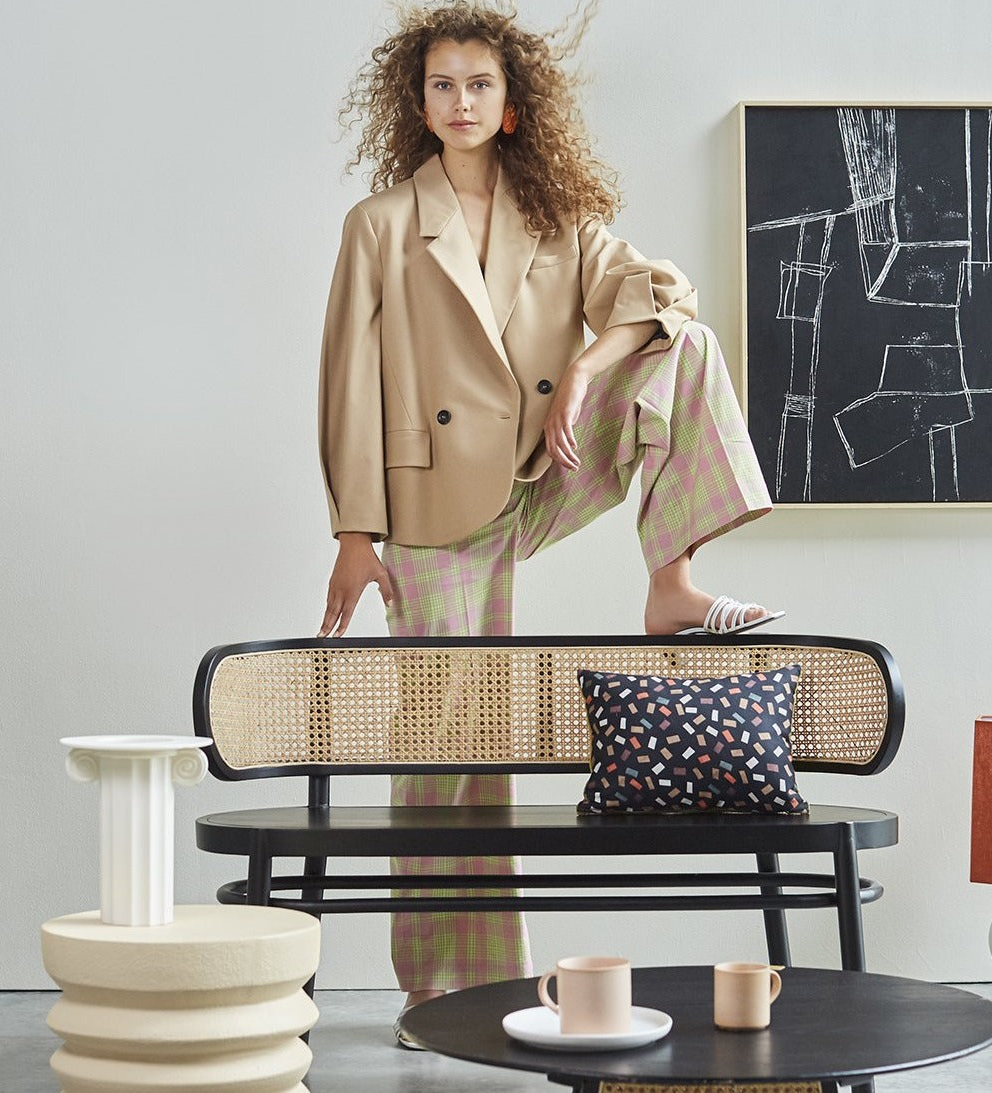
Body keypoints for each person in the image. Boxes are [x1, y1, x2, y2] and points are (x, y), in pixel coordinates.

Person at [316, 0, 782, 1047]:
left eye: (479, 83)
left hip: (540, 467)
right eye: (442, 84)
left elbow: (661, 291)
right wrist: (355, 530)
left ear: (513, 101)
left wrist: (582, 367)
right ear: (417, 100)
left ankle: (671, 579)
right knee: (449, 749)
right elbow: (348, 380)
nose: (461, 100)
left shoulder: (561, 222)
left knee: (681, 344)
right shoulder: (382, 226)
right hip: (431, 499)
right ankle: (442, 992)